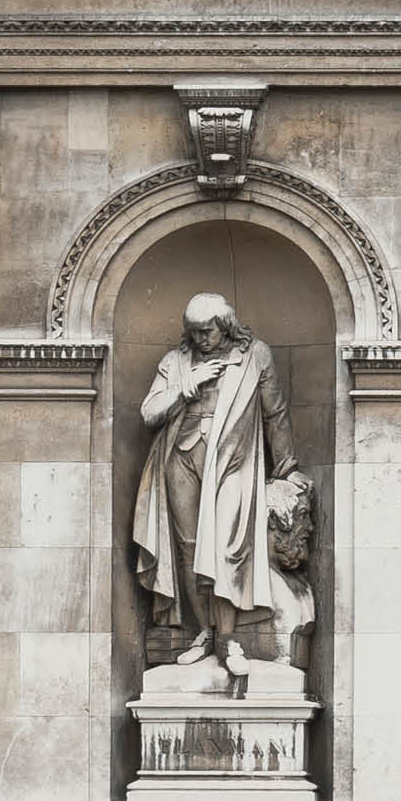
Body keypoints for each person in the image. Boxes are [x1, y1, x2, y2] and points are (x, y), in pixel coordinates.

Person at [130, 293, 307, 684]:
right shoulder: (176, 363)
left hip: (232, 463)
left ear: (225, 326)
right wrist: (186, 386)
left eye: (207, 331)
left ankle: (228, 640)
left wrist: (287, 468)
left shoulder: (255, 356)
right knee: (189, 548)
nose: (200, 339)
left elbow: (274, 412)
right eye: (194, 332)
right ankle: (206, 633)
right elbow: (149, 413)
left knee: (226, 546)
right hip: (181, 458)